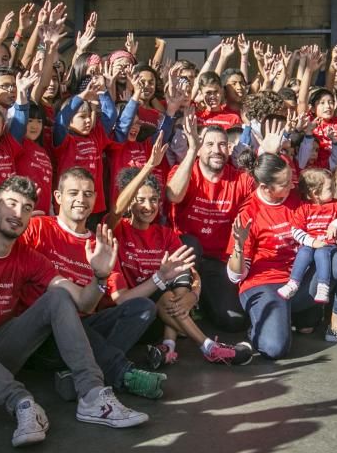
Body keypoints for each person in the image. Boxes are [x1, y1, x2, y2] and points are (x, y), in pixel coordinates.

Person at [0, 176, 147, 447]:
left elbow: (83, 303)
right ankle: (20, 402)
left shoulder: (28, 258)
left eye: (25, 208)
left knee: (58, 296)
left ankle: (93, 396)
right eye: (10, 204)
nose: (17, 213)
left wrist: (100, 277)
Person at [19, 167, 169, 399]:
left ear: (95, 199)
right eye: (73, 193)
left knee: (143, 308)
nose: (81, 199)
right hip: (42, 336)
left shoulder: (100, 243)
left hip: (85, 330)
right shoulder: (37, 227)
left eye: (88, 194)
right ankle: (122, 374)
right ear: (58, 197)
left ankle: (82, 373)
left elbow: (110, 301)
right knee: (63, 308)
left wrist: (161, 276)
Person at [105, 152, 252, 366]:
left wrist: (194, 295)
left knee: (173, 285)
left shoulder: (164, 234)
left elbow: (190, 272)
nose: (149, 206)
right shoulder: (117, 229)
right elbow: (117, 210)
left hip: (160, 313)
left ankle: (168, 346)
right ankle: (208, 347)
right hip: (127, 315)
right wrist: (147, 168)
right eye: (141, 200)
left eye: (154, 199)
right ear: (130, 203)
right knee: (164, 292)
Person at [227, 153, 337, 359]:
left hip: (299, 281)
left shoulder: (296, 195)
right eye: (285, 184)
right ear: (265, 188)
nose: (292, 187)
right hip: (266, 285)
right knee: (275, 349)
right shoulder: (248, 214)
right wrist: (238, 246)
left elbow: (330, 196)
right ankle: (260, 328)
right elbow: (235, 276)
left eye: (292, 180)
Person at [167, 119, 255, 332]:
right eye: (209, 144)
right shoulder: (183, 171)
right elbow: (174, 195)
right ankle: (187, 302)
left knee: (234, 321)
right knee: (190, 243)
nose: (217, 150)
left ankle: (202, 301)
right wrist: (191, 152)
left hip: (218, 261)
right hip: (185, 258)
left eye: (222, 145)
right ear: (198, 149)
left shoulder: (241, 180)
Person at [279, 168, 337, 302]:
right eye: (330, 188)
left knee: (321, 253)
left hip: (328, 244)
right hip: (311, 243)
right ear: (315, 193)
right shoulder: (303, 208)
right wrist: (312, 242)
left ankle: (323, 286)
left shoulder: (336, 204)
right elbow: (296, 230)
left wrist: (336, 224)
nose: (334, 190)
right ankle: (293, 283)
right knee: (304, 252)